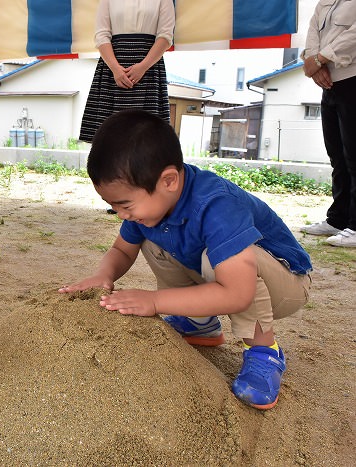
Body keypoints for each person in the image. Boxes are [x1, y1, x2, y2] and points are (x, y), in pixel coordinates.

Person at [60, 110, 312, 410]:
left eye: (125, 204)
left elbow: (237, 292)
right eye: (113, 206)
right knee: (153, 239)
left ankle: (263, 351)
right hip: (224, 276)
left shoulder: (217, 205)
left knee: (219, 257)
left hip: (285, 284)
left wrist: (154, 301)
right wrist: (104, 275)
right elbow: (123, 250)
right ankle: (199, 324)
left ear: (168, 180)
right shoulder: (153, 204)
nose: (122, 214)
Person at [300, 0, 356, 248]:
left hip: (352, 77)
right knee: (337, 155)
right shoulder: (325, 2)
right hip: (330, 82)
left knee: (355, 155)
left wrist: (321, 58)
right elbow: (313, 34)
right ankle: (338, 219)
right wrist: (314, 65)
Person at [78, 0, 175, 143]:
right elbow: (101, 35)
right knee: (108, 140)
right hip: (112, 68)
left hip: (149, 68)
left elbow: (166, 36)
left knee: (149, 140)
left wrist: (143, 66)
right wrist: (115, 69)